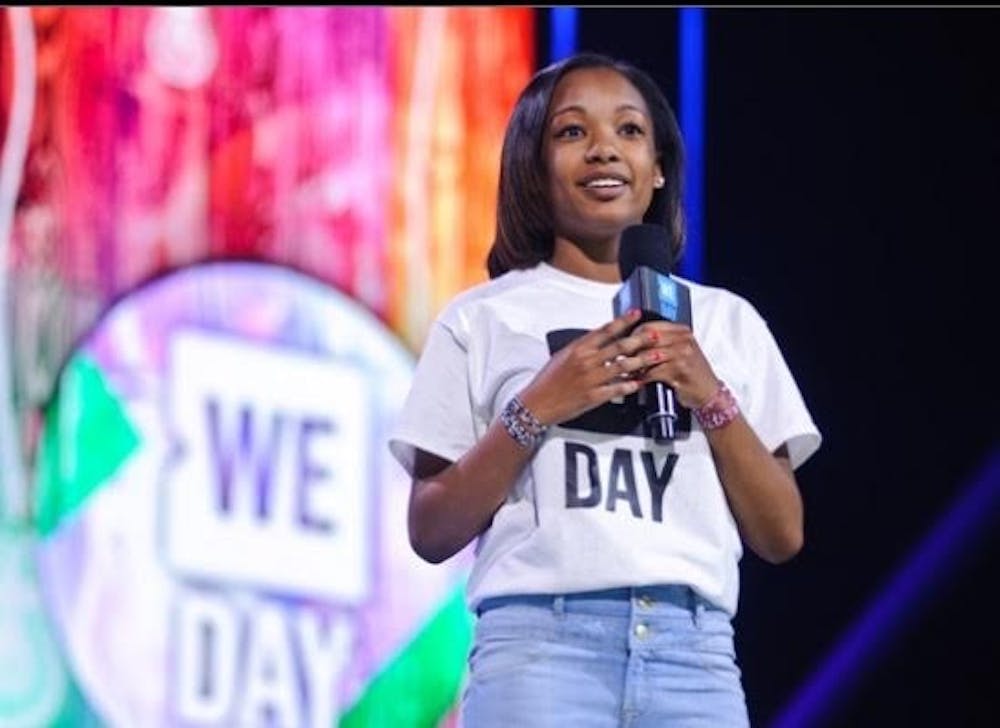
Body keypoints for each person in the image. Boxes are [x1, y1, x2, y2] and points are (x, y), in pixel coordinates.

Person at [388, 51, 821, 727]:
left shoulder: (728, 323)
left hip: (694, 658)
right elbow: (432, 528)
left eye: (629, 131)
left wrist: (707, 390)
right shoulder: (482, 319)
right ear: (533, 166)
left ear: (657, 172)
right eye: (571, 133)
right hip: (539, 654)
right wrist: (537, 407)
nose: (603, 152)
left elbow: (782, 532)